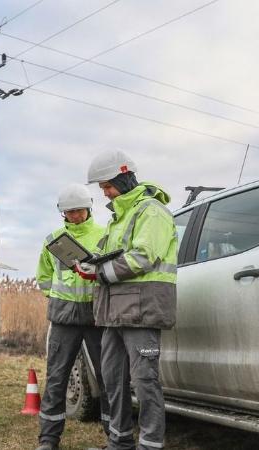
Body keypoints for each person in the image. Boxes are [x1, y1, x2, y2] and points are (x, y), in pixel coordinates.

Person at [85, 150, 178, 450]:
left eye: (107, 186)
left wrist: (99, 274)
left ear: (124, 179)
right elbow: (112, 259)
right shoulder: (119, 218)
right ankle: (120, 442)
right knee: (112, 380)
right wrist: (89, 266)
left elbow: (142, 257)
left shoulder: (151, 211)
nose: (105, 193)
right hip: (114, 313)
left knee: (144, 381)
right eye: (102, 189)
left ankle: (150, 444)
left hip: (142, 310)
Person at [35, 183, 110, 450]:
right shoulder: (53, 240)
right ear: (61, 212)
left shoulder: (105, 234)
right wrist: (54, 297)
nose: (75, 216)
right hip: (63, 317)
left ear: (89, 208)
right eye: (70, 212)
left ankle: (114, 437)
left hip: (96, 316)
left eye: (79, 211)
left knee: (107, 377)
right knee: (57, 378)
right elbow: (43, 277)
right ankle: (48, 440)